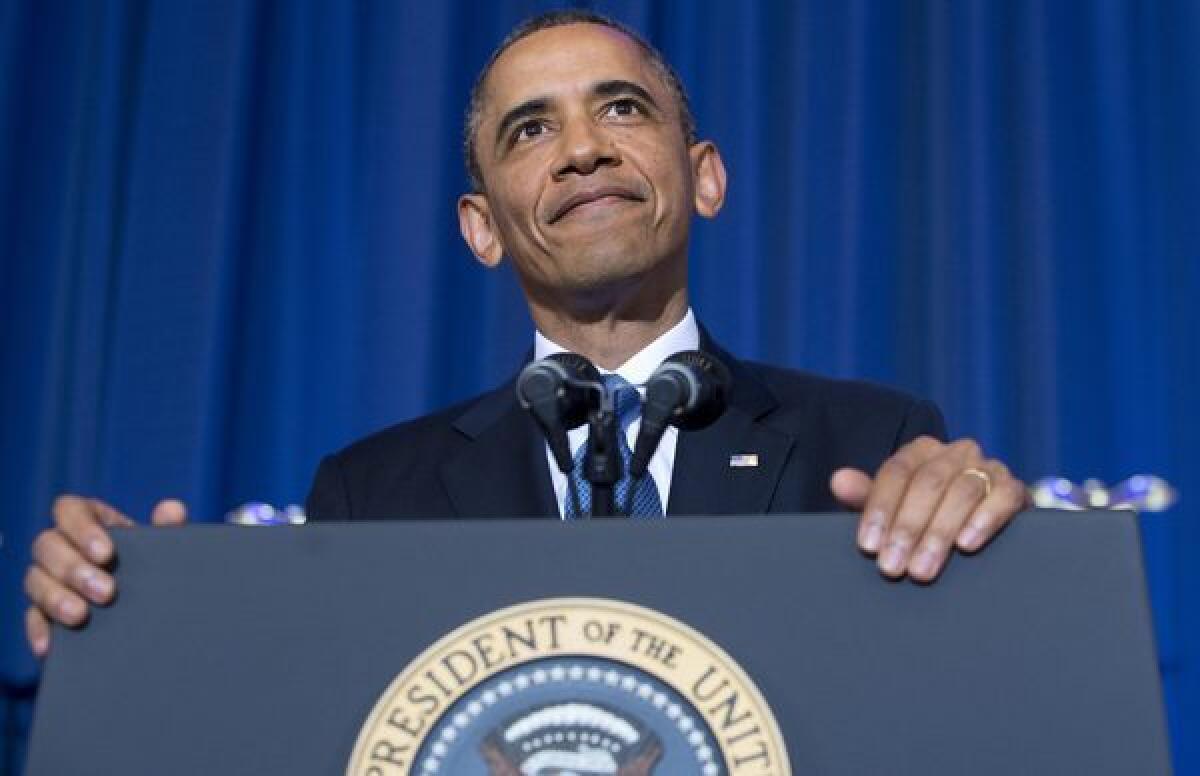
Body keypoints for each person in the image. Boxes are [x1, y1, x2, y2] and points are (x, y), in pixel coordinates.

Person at [23, 10, 1028, 658]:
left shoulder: (869, 441)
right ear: (482, 228)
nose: (584, 150)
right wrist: (130, 617)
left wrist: (1002, 555)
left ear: (705, 176)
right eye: (530, 130)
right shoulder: (370, 494)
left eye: (621, 109)